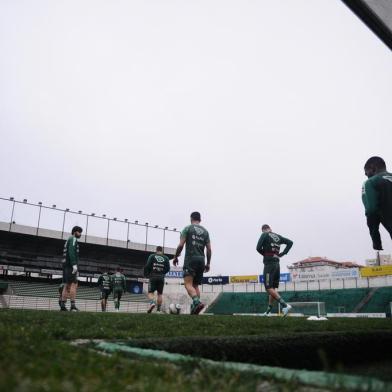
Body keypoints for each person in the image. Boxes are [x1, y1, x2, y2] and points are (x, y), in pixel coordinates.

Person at [173, 211, 211, 315]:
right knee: (195, 285)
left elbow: (181, 245)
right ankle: (195, 309)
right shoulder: (206, 232)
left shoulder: (188, 228)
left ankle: (196, 302)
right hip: (201, 260)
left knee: (188, 284)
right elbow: (209, 249)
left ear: (191, 218)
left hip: (191, 259)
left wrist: (176, 257)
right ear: (200, 219)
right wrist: (208, 263)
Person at [256, 224, 293, 317]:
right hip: (277, 263)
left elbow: (258, 248)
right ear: (270, 229)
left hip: (269, 264)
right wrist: (282, 253)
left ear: (263, 230)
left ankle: (285, 305)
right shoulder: (278, 236)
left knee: (268, 287)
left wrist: (265, 254)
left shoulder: (264, 234)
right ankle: (268, 312)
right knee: (272, 288)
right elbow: (290, 242)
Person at [362, 156, 392, 254]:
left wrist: (376, 242)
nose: (366, 175)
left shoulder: (371, 182)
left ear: (373, 168)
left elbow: (371, 211)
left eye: (367, 172)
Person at [60, 226, 83, 311]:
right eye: (79, 232)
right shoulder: (73, 239)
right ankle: (72, 305)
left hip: (65, 264)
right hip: (70, 265)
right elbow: (71, 251)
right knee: (74, 284)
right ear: (75, 232)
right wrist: (74, 264)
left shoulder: (68, 240)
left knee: (67, 285)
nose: (80, 234)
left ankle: (63, 305)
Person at [144, 246, 171, 313]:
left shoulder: (152, 256)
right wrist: (162, 273)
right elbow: (168, 269)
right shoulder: (166, 258)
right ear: (162, 251)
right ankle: (158, 310)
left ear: (156, 250)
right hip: (161, 278)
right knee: (159, 294)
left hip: (153, 276)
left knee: (150, 292)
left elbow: (147, 265)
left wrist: (148, 273)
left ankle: (152, 302)